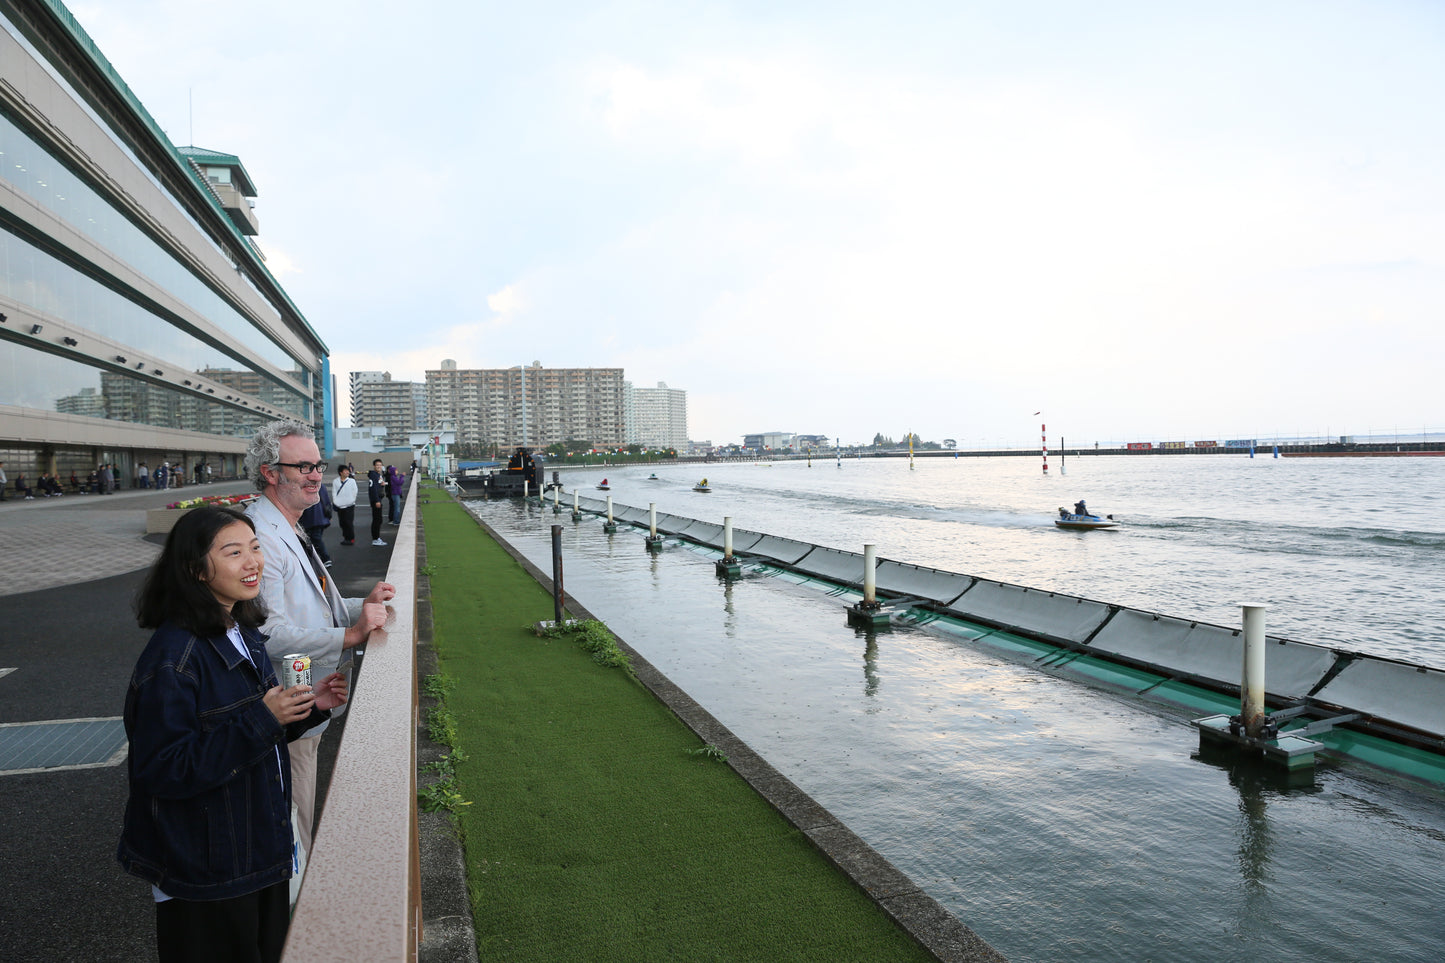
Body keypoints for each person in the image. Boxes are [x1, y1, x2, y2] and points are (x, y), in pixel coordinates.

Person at [117, 506, 348, 963]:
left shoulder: (239, 627)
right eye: (233, 552)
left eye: (256, 548)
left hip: (256, 851)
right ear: (195, 570)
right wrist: (265, 718)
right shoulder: (172, 661)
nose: (253, 563)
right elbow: (164, 770)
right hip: (209, 868)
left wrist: (303, 707)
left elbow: (247, 727)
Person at [243, 421, 392, 853]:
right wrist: (351, 633)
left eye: (318, 464)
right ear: (271, 473)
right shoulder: (261, 538)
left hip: (309, 694)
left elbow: (313, 603)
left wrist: (358, 603)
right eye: (303, 466)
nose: (316, 475)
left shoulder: (288, 524)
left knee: (300, 805)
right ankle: (299, 912)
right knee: (295, 820)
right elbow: (264, 632)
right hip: (290, 698)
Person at [299, 476, 334, 567]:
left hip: (311, 519)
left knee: (314, 539)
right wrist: (329, 515)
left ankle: (325, 558)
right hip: (321, 518)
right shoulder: (321, 486)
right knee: (315, 539)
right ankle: (320, 558)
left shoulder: (304, 487)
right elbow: (327, 501)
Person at [331, 465, 358, 546]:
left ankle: (351, 538)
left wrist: (351, 501)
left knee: (348, 522)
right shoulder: (335, 481)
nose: (347, 472)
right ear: (341, 472)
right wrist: (336, 502)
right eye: (345, 471)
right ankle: (346, 538)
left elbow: (355, 492)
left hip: (349, 505)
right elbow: (334, 492)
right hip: (339, 505)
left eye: (348, 471)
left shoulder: (351, 481)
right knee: (342, 522)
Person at [367, 459, 387, 546]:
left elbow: (377, 485)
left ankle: (377, 538)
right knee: (377, 520)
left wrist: (382, 484)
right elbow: (373, 489)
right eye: (377, 465)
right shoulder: (374, 475)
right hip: (376, 500)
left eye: (380, 465)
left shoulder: (378, 475)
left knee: (378, 519)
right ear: (374, 466)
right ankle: (375, 539)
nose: (379, 466)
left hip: (378, 499)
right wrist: (377, 500)